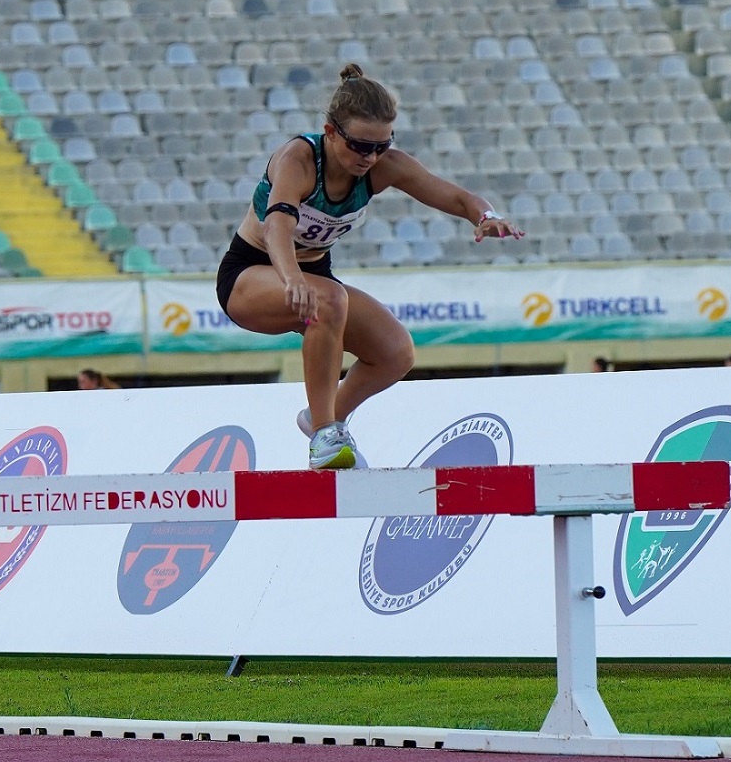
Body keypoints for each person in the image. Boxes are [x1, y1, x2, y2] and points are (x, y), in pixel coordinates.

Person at [217, 64, 523, 469]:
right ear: (330, 132)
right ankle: (325, 437)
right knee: (328, 299)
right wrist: (291, 279)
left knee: (395, 352)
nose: (370, 158)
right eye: (360, 146)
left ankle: (323, 419)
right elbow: (277, 225)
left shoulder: (383, 166)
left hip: (313, 278)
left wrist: (486, 217)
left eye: (381, 146)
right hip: (251, 273)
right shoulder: (299, 159)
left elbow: (457, 197)